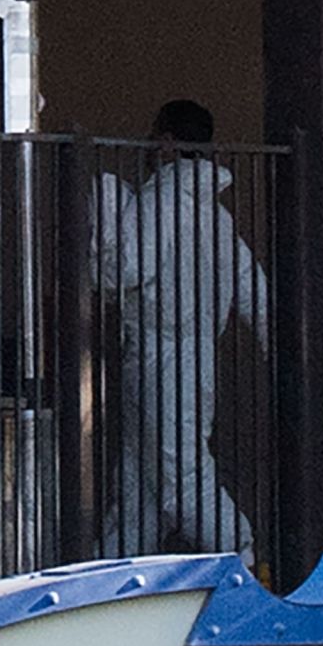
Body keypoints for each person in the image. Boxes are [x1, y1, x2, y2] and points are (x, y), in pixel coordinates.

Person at [94, 99, 271, 563]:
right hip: (197, 358)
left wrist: (105, 228)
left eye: (156, 136)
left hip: (160, 355)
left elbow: (126, 270)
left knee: (178, 477)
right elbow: (254, 291)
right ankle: (116, 572)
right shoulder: (217, 217)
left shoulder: (160, 202)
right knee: (146, 482)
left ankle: (245, 559)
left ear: (169, 141)